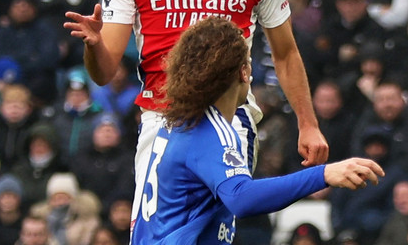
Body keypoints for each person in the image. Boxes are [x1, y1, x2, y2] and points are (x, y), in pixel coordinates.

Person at [63, 0, 329, 235]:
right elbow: (104, 73)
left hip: (229, 118)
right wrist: (92, 45)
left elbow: (285, 53)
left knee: (207, 227)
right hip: (162, 119)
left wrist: (308, 124)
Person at [130, 16, 383, 243]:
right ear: (243, 72)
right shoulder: (207, 130)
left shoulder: (180, 121)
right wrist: (324, 174)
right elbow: (241, 197)